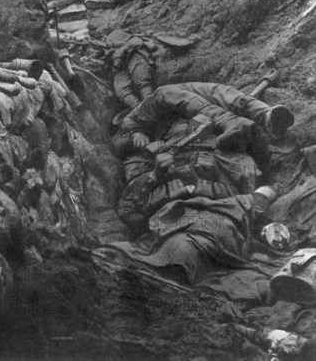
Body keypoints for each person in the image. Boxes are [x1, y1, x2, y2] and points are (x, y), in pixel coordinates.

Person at [110, 82, 294, 283]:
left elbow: (257, 174)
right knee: (190, 245)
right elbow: (129, 210)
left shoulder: (164, 103)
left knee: (224, 101)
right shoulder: (142, 156)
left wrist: (259, 193)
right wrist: (155, 172)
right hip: (182, 212)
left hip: (219, 198)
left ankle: (262, 116)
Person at [105, 29, 157, 109]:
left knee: (142, 80)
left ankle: (149, 107)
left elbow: (136, 42)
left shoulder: (134, 40)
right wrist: (116, 61)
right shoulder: (110, 48)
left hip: (135, 57)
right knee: (121, 90)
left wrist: (120, 52)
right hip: (122, 67)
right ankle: (139, 109)